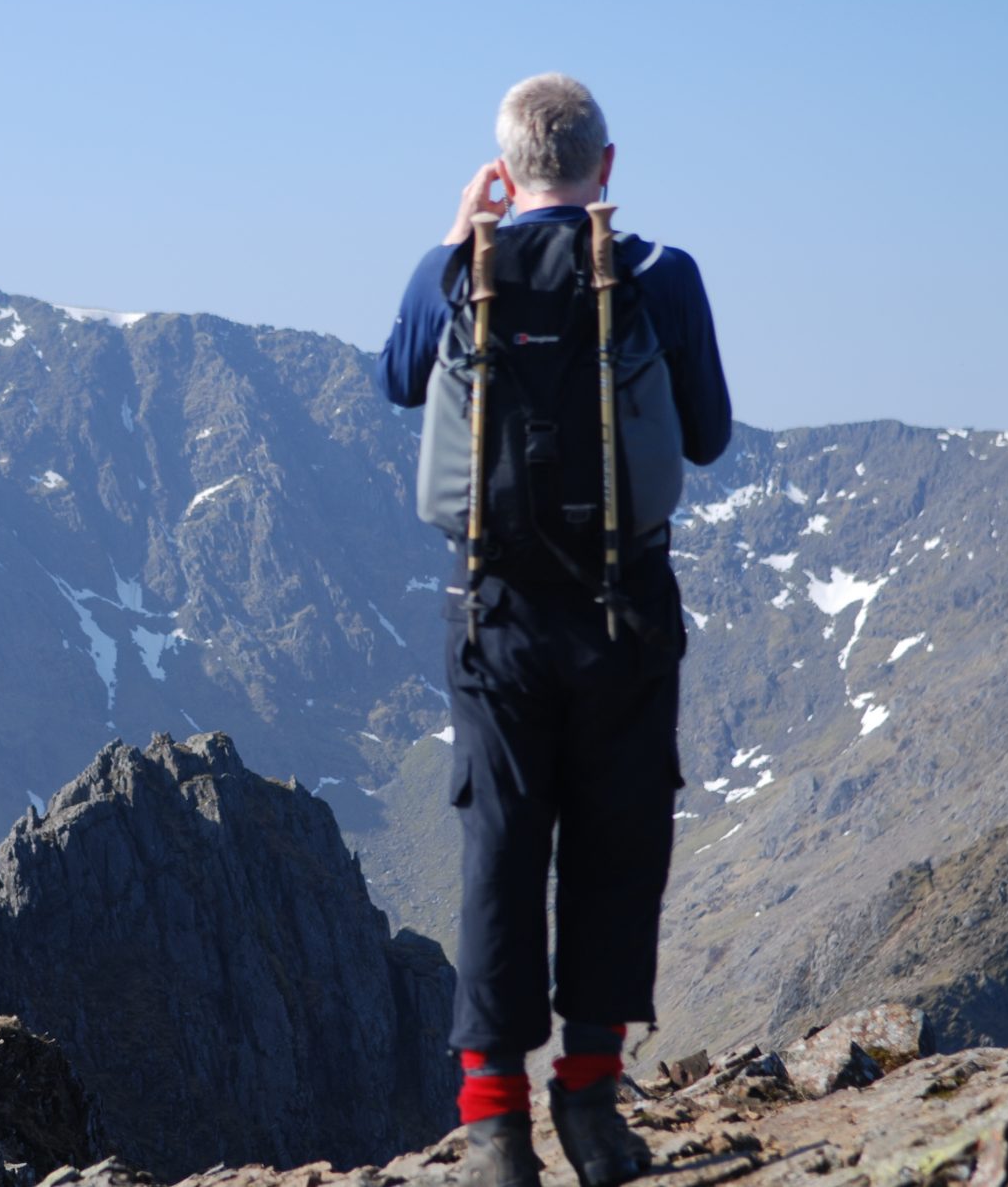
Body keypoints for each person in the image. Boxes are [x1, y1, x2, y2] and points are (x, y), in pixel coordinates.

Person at [378, 73, 731, 1187]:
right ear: (604, 167)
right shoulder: (658, 275)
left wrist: (453, 242)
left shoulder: (456, 272)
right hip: (624, 612)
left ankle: (493, 1131)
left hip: (495, 620)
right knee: (615, 844)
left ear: (505, 165)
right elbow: (710, 435)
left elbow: (396, 377)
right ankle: (589, 1105)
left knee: (499, 852)